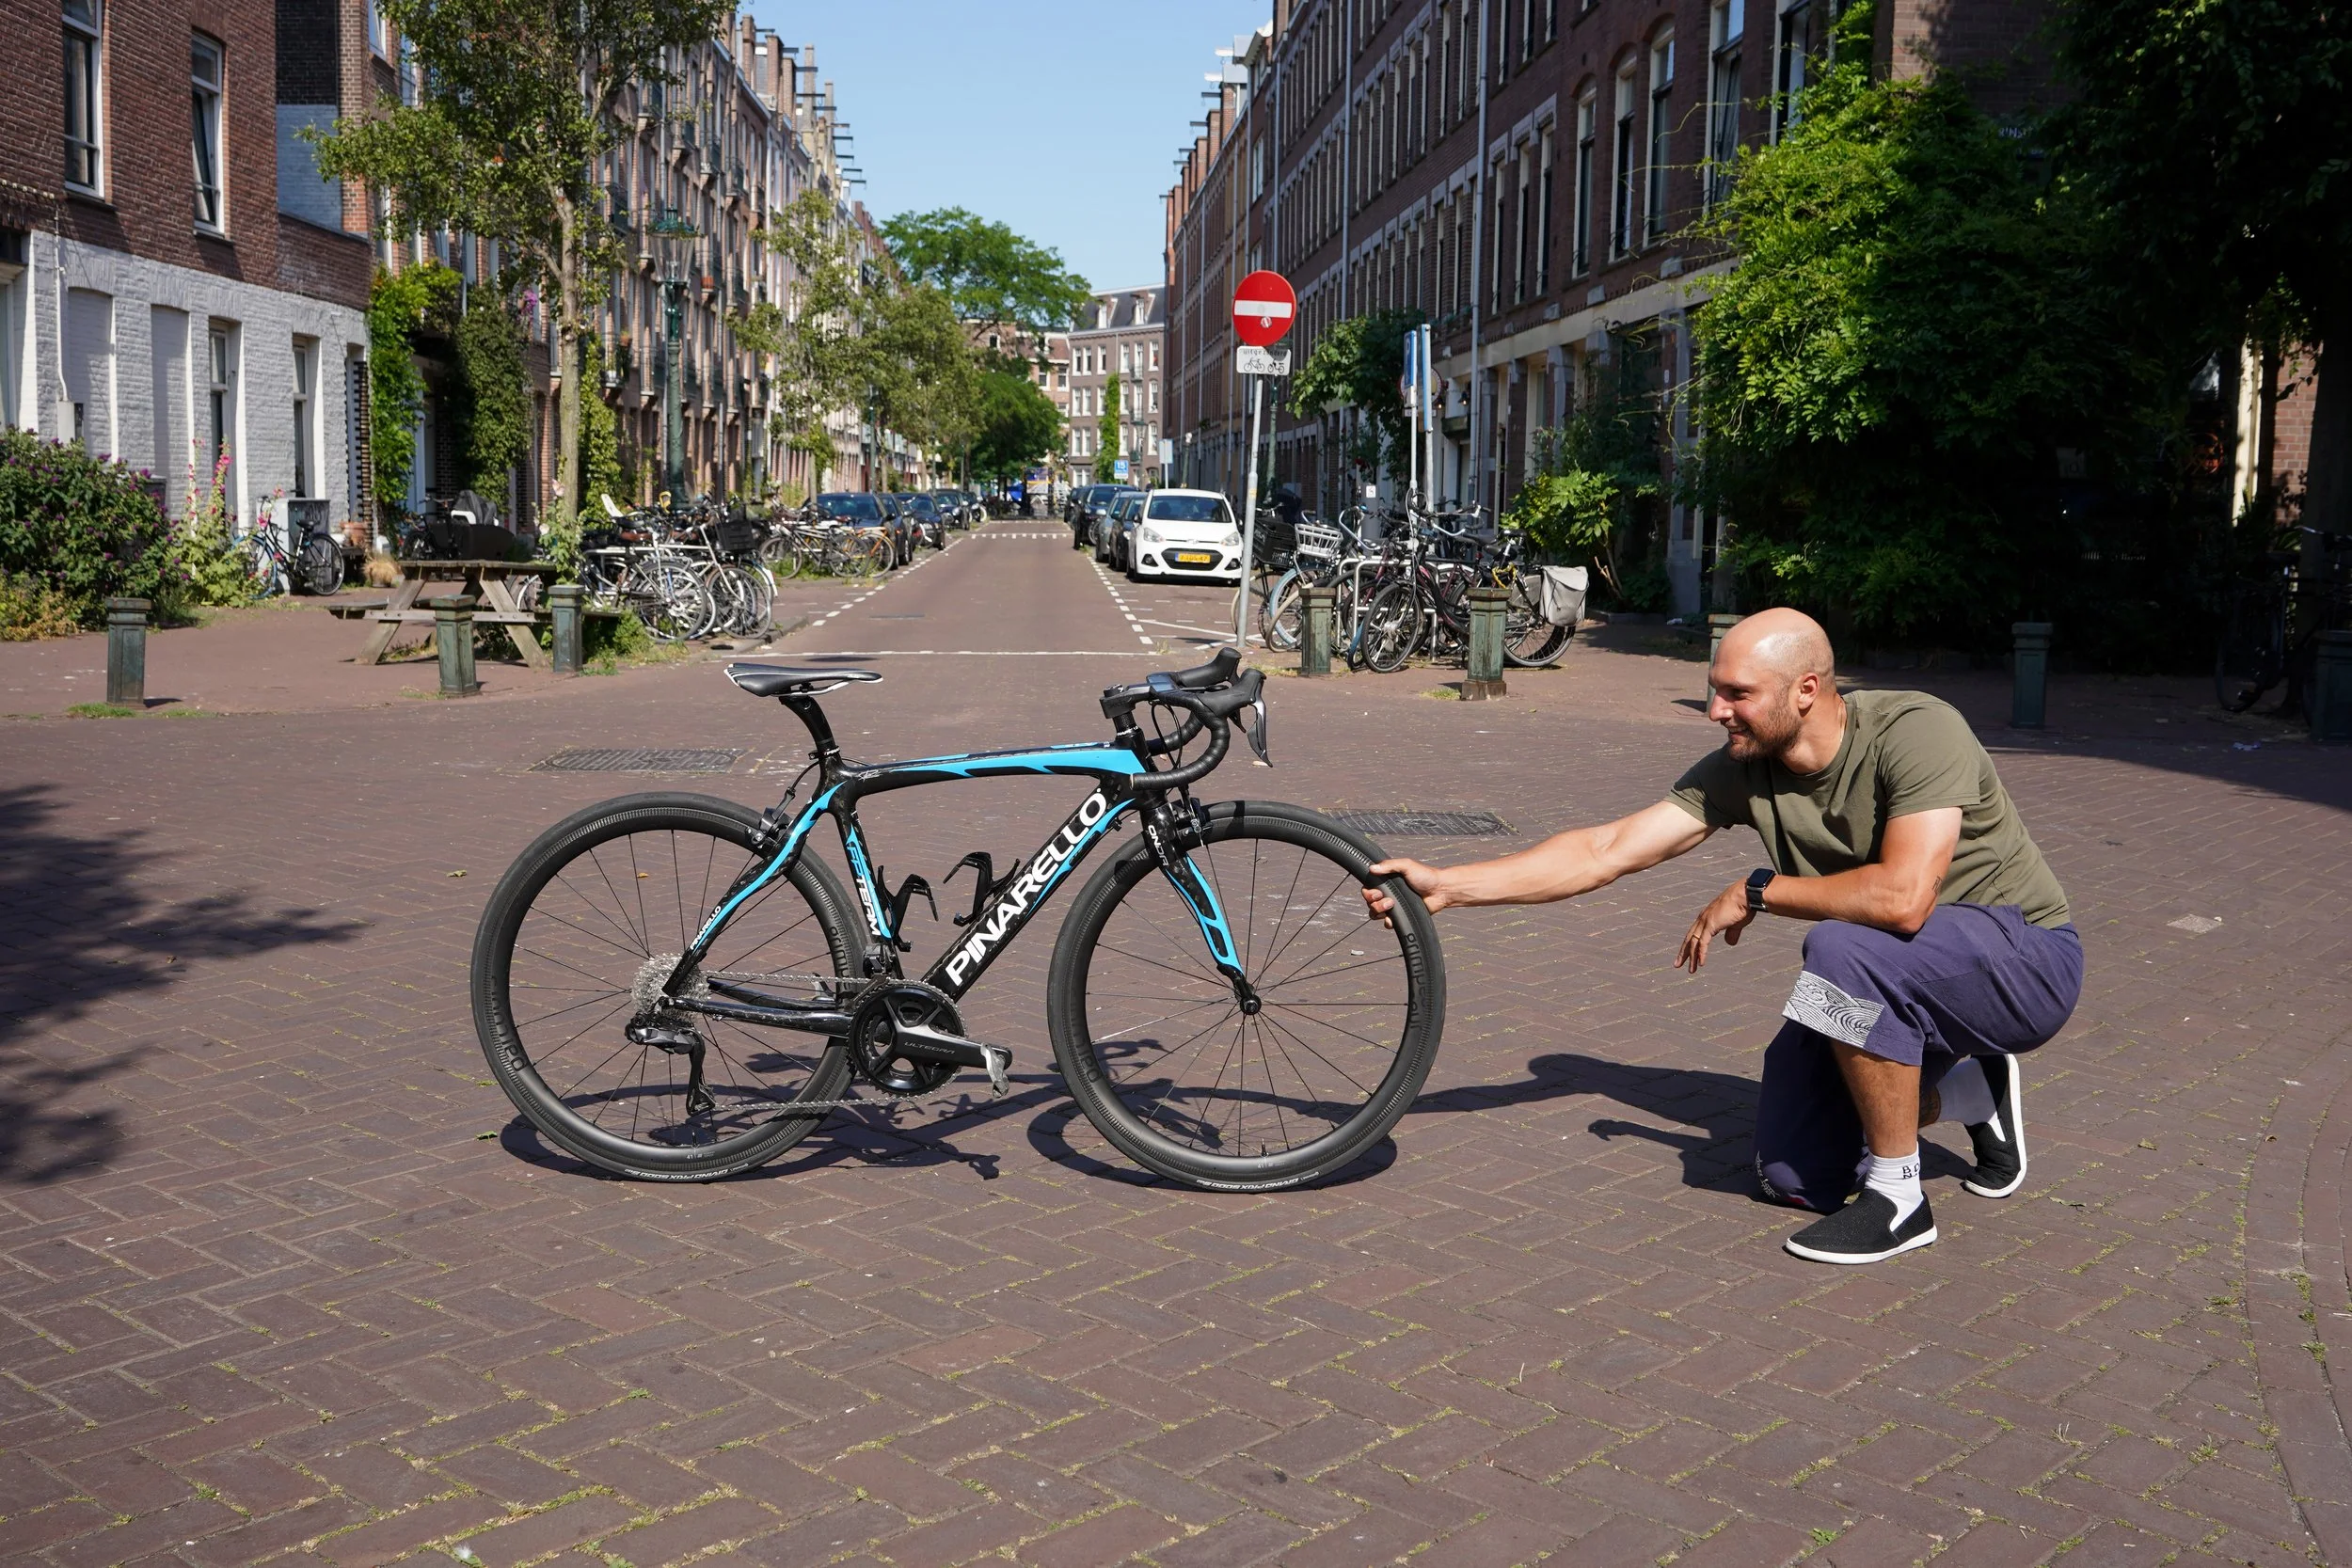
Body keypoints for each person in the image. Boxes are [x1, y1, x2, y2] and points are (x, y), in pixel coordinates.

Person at [1363, 609, 2082, 1265]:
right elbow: (1606, 849)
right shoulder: (1746, 767)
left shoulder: (1916, 730)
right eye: (1715, 690)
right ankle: (1971, 1091)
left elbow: (1901, 899)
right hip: (1903, 975)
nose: (1715, 710)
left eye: (1737, 693)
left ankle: (1899, 1197)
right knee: (1793, 1173)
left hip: (2023, 961)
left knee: (1837, 947)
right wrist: (1452, 885)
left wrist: (1758, 890)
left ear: (1805, 689)